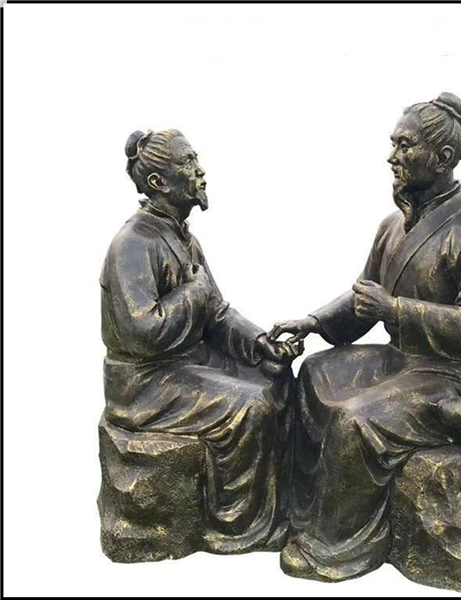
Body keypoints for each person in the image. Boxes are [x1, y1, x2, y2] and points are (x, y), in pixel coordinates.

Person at [268, 93, 461, 582]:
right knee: (313, 373)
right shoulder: (393, 226)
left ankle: (338, 544)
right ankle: (304, 511)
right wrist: (313, 322)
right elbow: (365, 297)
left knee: (355, 421)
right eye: (394, 144)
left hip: (451, 374)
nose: (392, 157)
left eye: (405, 146)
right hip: (401, 359)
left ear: (442, 158)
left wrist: (395, 310)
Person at [100, 129, 303, 555]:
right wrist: (192, 292)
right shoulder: (133, 245)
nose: (200, 171)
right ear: (158, 182)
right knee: (253, 406)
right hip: (146, 382)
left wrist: (261, 344)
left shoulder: (184, 239)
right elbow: (144, 332)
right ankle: (237, 524)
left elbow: (217, 313)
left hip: (187, 361)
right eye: (188, 162)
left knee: (278, 379)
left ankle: (277, 505)